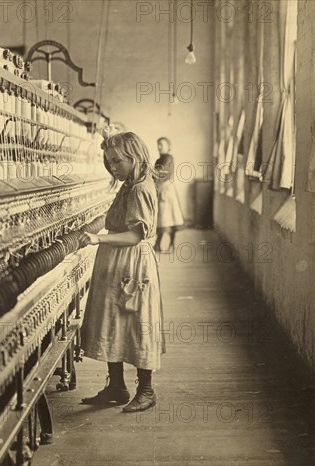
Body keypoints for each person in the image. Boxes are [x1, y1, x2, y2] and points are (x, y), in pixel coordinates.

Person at [79, 131, 165, 413]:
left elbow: (134, 236)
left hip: (131, 263)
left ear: (135, 156)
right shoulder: (130, 185)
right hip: (117, 262)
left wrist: (97, 238)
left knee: (138, 324)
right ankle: (116, 387)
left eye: (117, 161)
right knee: (112, 322)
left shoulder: (140, 188)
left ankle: (146, 390)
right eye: (109, 162)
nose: (113, 167)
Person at [154, 137, 184, 252]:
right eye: (158, 144)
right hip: (160, 189)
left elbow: (163, 173)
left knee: (170, 218)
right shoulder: (158, 160)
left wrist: (152, 173)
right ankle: (158, 244)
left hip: (167, 190)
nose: (159, 147)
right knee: (161, 218)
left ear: (168, 146)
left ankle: (171, 245)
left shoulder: (169, 158)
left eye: (162, 144)